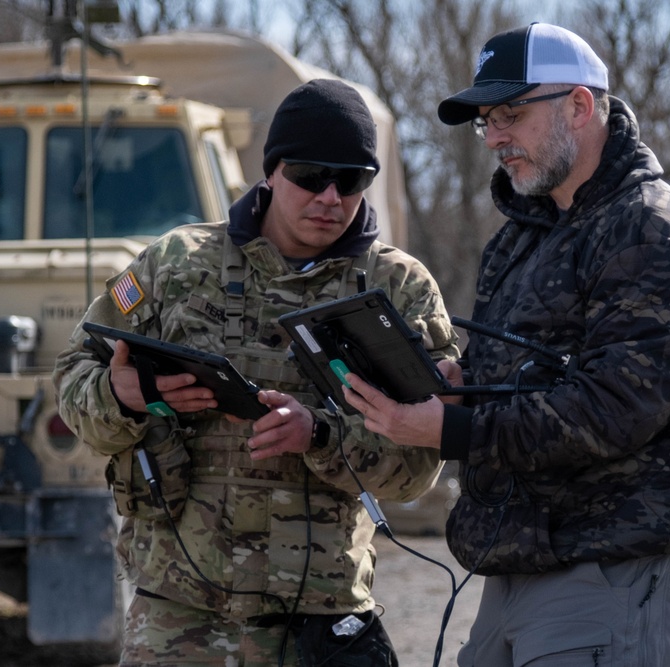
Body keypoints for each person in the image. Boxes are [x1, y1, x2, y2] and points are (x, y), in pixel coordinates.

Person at [343, 23, 670, 667]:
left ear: (580, 107)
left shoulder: (654, 235)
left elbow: (613, 410)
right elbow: (531, 374)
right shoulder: (526, 233)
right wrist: (455, 380)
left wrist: (453, 430)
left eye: (512, 114)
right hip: (520, 566)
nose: (495, 136)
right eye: (487, 120)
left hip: (607, 571)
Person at [53, 79, 459, 666]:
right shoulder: (175, 265)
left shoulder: (398, 289)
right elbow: (72, 377)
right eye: (311, 175)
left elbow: (420, 465)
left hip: (321, 620)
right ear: (271, 170)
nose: (330, 197)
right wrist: (123, 395)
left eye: (351, 181)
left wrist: (320, 435)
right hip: (181, 616)